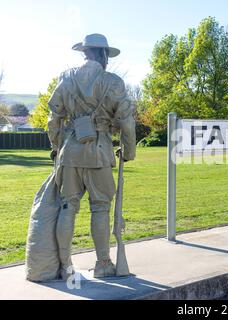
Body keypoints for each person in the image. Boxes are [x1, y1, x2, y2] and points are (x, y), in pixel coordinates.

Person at [47, 34, 136, 279]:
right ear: (104, 54)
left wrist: (56, 146)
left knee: (68, 207)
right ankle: (103, 264)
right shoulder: (113, 82)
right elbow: (127, 121)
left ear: (85, 53)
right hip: (98, 152)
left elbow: (53, 118)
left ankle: (65, 267)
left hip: (69, 153)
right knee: (100, 209)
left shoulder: (65, 78)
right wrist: (128, 152)